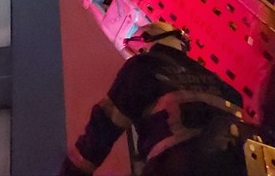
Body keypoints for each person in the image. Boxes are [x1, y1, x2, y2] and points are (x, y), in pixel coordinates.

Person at [60, 21, 252, 176]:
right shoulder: (221, 83)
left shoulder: (144, 67)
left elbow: (103, 127)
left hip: (181, 166)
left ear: (146, 41)